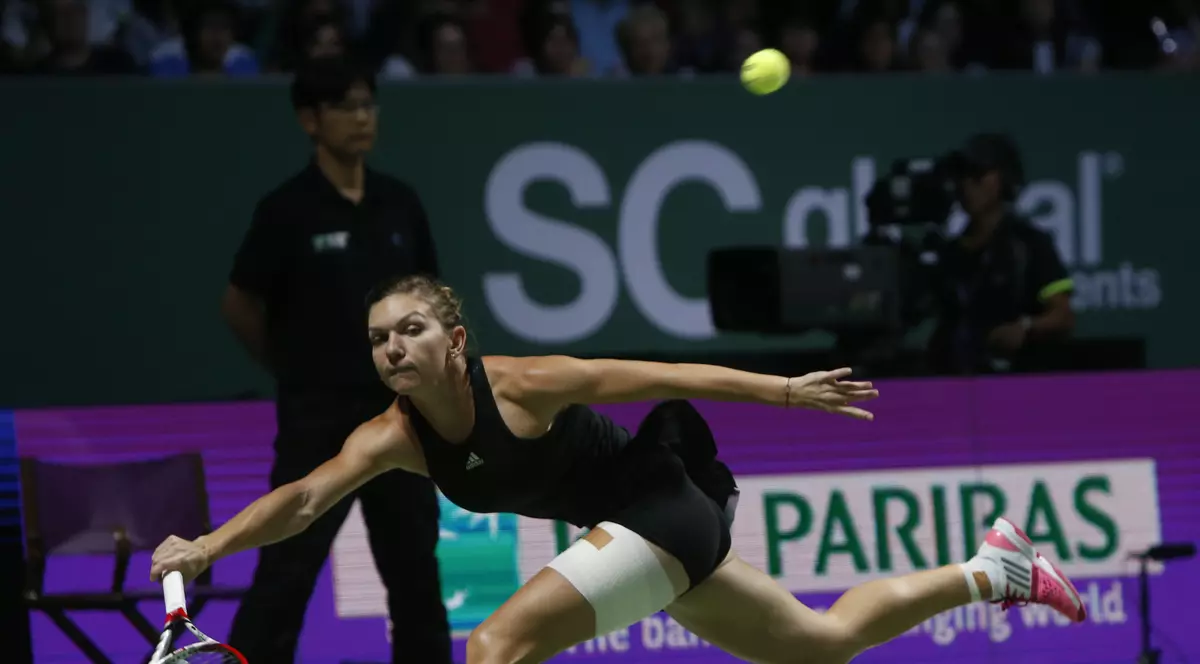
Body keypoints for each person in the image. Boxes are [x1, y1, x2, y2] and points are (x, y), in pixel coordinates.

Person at [155, 275, 1087, 664]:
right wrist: (208, 545)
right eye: (377, 340)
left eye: (411, 329)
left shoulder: (523, 385)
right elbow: (308, 497)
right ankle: (993, 568)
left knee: (491, 651)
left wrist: (786, 392)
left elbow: (664, 373)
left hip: (661, 507)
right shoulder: (392, 433)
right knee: (823, 642)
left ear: (456, 339)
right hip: (643, 536)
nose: (392, 348)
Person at [218, 58, 449, 662]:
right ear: (310, 120)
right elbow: (240, 303)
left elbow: (430, 300)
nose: (362, 117)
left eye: (369, 104)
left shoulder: (401, 203)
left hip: (401, 418)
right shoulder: (287, 210)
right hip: (316, 421)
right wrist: (293, 369)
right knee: (286, 572)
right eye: (346, 106)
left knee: (416, 576)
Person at [928, 132, 1075, 375]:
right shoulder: (949, 253)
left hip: (1016, 382)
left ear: (1004, 179)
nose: (967, 185)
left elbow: (1063, 316)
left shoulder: (1029, 244)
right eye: (962, 176)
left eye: (978, 175)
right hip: (954, 381)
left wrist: (1024, 328)